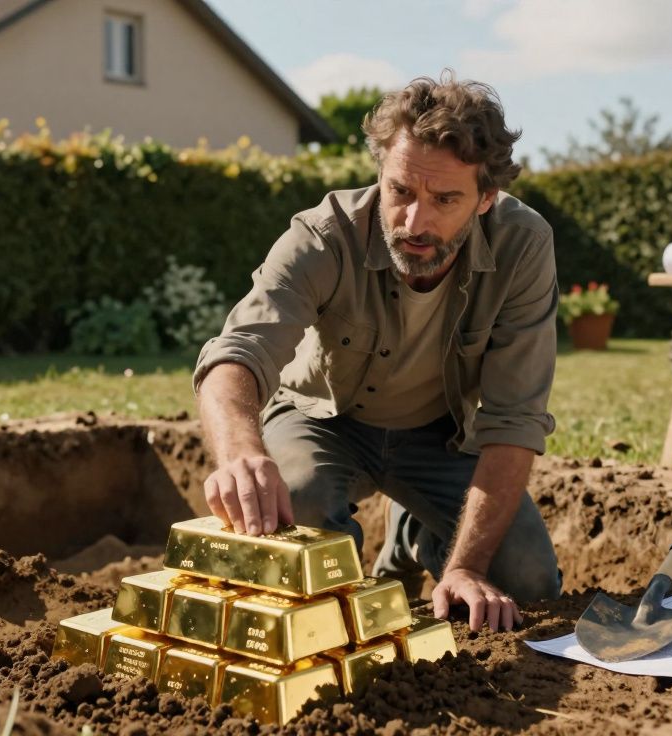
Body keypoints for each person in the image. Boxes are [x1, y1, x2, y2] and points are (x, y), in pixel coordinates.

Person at [193, 71, 561, 633]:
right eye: (401, 192)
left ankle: (416, 535)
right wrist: (241, 451)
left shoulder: (523, 246)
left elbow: (514, 421)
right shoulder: (321, 237)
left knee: (527, 581)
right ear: (381, 174)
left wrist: (465, 567)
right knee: (296, 514)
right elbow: (236, 353)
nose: (415, 222)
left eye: (444, 200)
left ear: (486, 198)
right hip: (322, 422)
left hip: (440, 436)